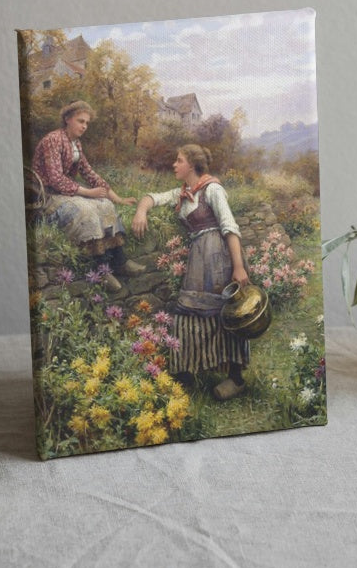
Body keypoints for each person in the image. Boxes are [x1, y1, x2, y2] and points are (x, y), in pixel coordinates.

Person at [132, 144, 250, 400]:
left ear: (192, 166)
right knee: (188, 311)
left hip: (219, 259)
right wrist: (141, 209)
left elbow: (230, 227)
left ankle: (236, 377)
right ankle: (188, 371)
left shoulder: (213, 190)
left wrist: (238, 266)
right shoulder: (183, 192)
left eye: (179, 160)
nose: (174, 165)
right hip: (198, 260)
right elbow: (152, 197)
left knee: (226, 313)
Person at [32, 101, 143, 292]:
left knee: (105, 206)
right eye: (80, 121)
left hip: (67, 192)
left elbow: (89, 174)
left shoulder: (76, 144)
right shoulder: (53, 140)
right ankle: (101, 270)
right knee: (86, 210)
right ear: (67, 119)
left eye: (87, 123)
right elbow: (56, 179)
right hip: (47, 196)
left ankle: (119, 261)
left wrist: (116, 198)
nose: (84, 126)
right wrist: (87, 193)